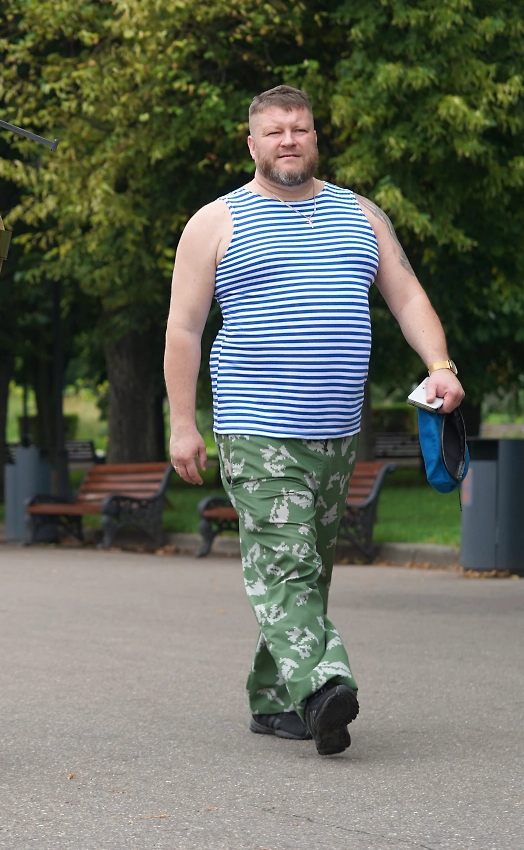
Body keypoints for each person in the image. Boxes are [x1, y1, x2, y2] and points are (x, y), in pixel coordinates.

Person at [164, 86, 465, 757]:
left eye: (300, 129)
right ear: (252, 143)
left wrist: (441, 363)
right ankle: (326, 684)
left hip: (335, 431)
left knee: (308, 567)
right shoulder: (216, 222)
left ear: (315, 137)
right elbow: (184, 329)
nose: (289, 140)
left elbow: (408, 294)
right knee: (285, 562)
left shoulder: (360, 215)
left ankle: (275, 701)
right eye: (274, 131)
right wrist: (183, 424)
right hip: (255, 427)